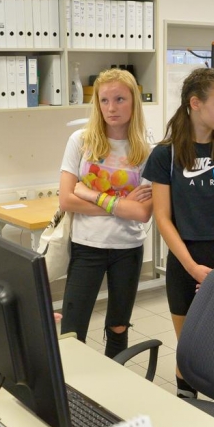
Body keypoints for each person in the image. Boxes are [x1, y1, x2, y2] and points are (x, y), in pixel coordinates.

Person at [143, 67, 214, 398]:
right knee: (189, 348)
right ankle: (187, 404)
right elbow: (163, 217)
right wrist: (193, 267)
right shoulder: (165, 154)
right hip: (185, 262)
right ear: (195, 103)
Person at [57, 69, 153, 359]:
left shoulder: (147, 150)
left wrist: (90, 194)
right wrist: (121, 205)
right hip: (87, 246)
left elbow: (142, 213)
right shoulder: (81, 141)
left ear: (134, 101)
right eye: (104, 100)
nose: (111, 108)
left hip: (128, 248)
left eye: (120, 99)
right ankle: (72, 382)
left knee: (119, 327)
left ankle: (115, 377)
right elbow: (66, 200)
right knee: (72, 330)